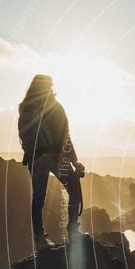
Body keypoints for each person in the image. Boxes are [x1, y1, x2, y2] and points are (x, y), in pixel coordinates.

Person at [18, 74, 85, 249]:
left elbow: (24, 138)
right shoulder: (55, 106)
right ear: (49, 87)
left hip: (36, 160)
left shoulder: (25, 108)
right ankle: (72, 230)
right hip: (56, 158)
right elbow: (65, 136)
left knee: (38, 199)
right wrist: (74, 161)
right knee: (74, 191)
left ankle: (39, 239)